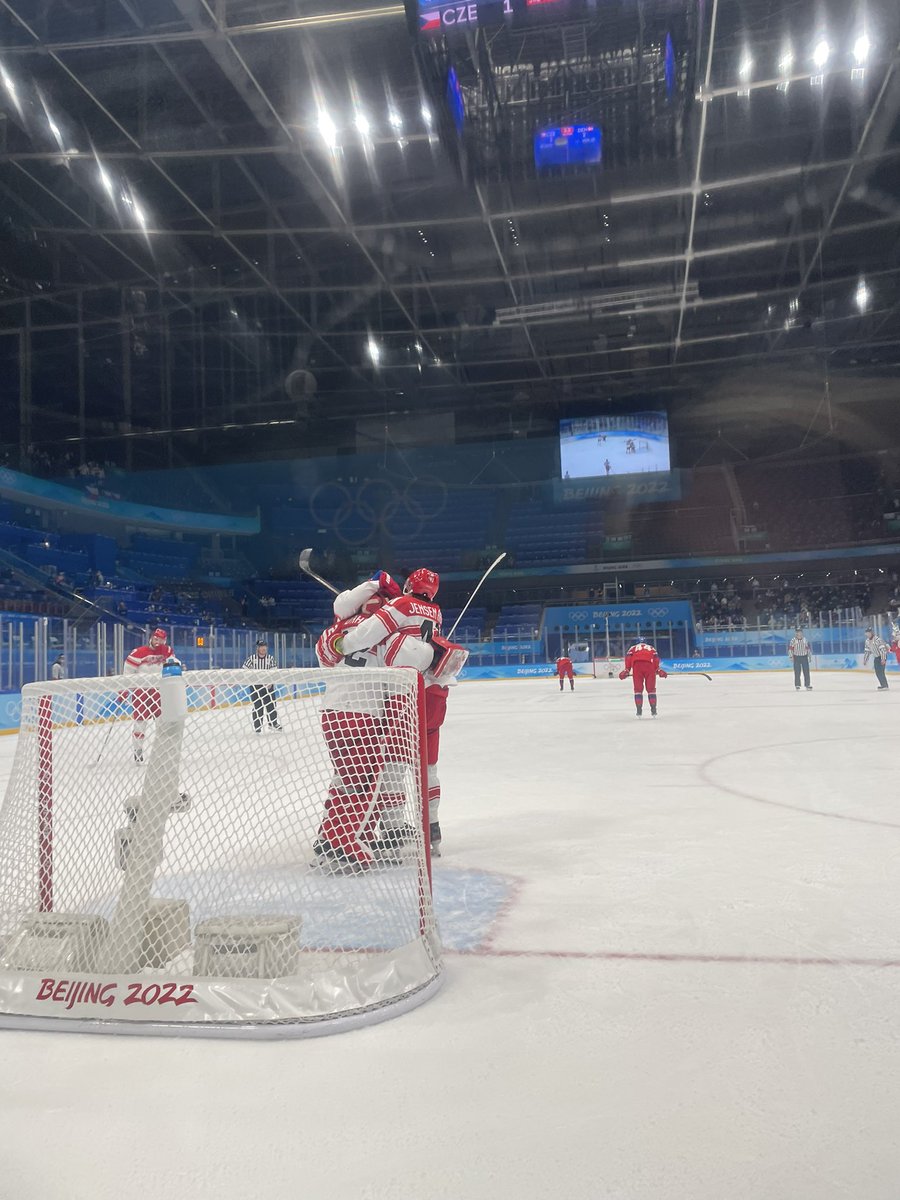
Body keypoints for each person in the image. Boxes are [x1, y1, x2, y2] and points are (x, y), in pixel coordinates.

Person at [329, 567, 463, 860]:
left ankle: (392, 830)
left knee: (394, 762)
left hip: (406, 692)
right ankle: (433, 829)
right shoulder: (436, 612)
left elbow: (370, 631)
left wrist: (344, 643)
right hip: (436, 693)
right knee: (428, 766)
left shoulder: (401, 605)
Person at [123, 627, 174, 764]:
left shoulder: (167, 651)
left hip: (158, 691)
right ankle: (137, 750)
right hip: (141, 692)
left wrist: (177, 674)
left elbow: (173, 664)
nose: (158, 642)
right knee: (140, 722)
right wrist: (124, 690)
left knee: (161, 721)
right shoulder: (138, 653)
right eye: (156, 638)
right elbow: (128, 672)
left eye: (161, 639)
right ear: (151, 637)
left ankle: (162, 749)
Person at [242, 637, 281, 733]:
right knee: (257, 706)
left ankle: (273, 723)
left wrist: (271, 683)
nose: (263, 648)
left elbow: (274, 672)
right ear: (258, 648)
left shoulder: (270, 659)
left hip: (268, 686)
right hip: (256, 686)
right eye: (261, 646)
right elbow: (244, 670)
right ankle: (257, 727)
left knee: (271, 705)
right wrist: (251, 680)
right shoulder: (251, 659)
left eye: (265, 646)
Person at [619, 640, 667, 717]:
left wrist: (627, 669)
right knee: (651, 689)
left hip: (637, 665)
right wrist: (658, 669)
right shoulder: (651, 648)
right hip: (649, 666)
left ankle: (639, 710)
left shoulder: (633, 648)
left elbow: (628, 658)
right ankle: (653, 709)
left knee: (638, 689)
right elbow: (656, 658)